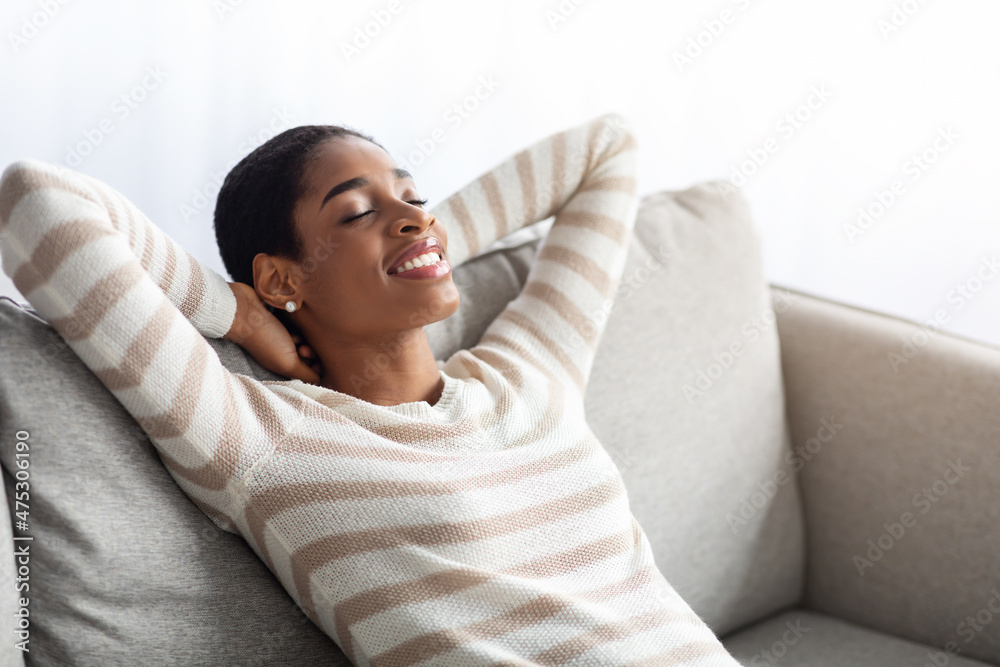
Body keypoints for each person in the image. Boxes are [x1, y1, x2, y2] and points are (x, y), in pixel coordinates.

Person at [0, 113, 742, 666]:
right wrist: (238, 313)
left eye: (414, 197)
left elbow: (606, 149)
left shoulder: (529, 373)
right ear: (283, 276)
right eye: (357, 212)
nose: (415, 214)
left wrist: (421, 238)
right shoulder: (258, 440)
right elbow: (34, 201)